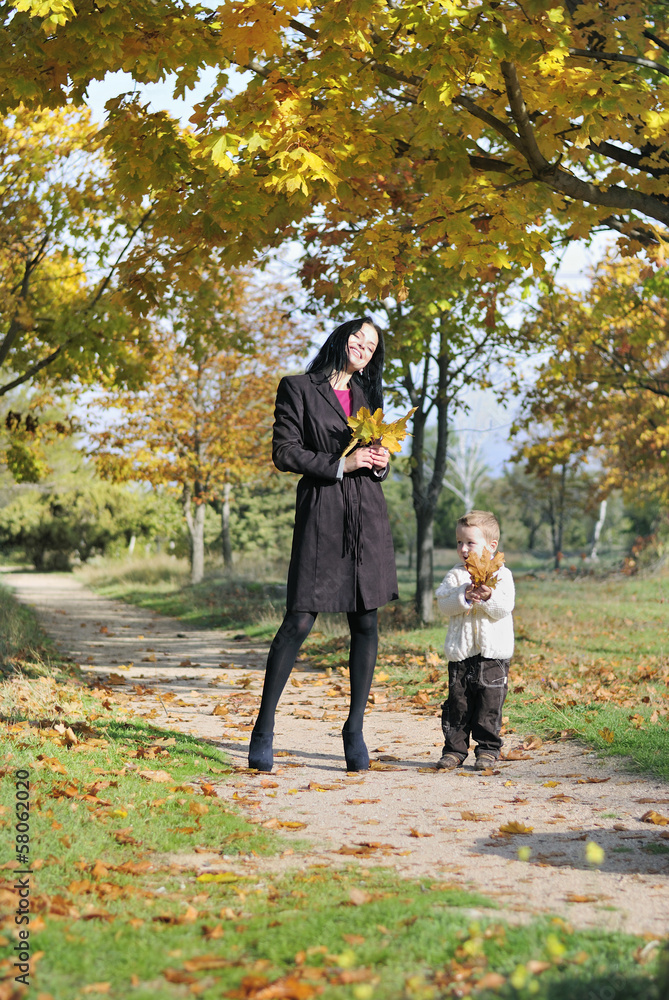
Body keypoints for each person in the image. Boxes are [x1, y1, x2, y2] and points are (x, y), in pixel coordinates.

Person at [248, 317, 398, 773]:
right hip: (322, 512)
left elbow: (374, 457)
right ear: (341, 337)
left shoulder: (369, 396)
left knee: (366, 621)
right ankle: (263, 728)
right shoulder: (297, 388)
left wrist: (379, 461)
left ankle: (354, 729)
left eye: (371, 346)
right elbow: (284, 452)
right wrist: (341, 464)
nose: (363, 347)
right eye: (358, 337)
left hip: (367, 514)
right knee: (298, 619)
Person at [434, 510, 515, 771]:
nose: (463, 548)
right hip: (461, 653)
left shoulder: (502, 575)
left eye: (470, 542)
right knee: (458, 705)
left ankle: (488, 750)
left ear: (491, 546)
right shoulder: (456, 576)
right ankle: (454, 750)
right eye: (459, 542)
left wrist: (489, 596)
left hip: (494, 656)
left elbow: (504, 608)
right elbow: (444, 605)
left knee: (489, 706)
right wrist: (463, 596)